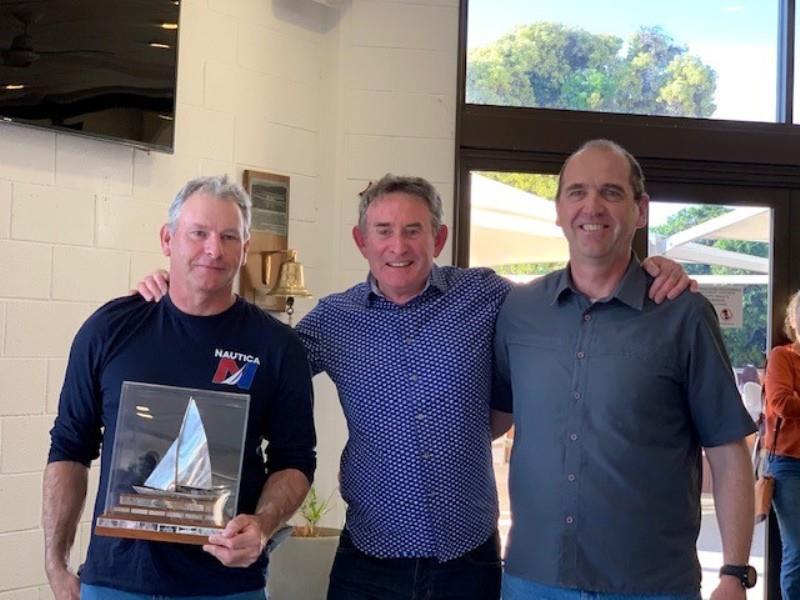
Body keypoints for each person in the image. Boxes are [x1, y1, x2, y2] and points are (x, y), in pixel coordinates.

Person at [136, 174, 693, 600]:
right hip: (369, 560)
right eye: (383, 231)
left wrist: (645, 269)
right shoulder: (332, 321)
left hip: (468, 559)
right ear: (361, 240)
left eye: (413, 230)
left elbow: (573, 299)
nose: (398, 246)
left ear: (439, 237)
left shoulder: (488, 297)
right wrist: (183, 300)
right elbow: (247, 369)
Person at [494, 140, 757, 600]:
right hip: (532, 580)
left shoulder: (683, 313)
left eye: (610, 192)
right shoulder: (518, 310)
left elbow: (727, 448)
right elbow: (491, 420)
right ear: (557, 210)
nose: (591, 206)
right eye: (576, 192)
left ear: (640, 209)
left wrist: (734, 573)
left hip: (650, 585)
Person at [43, 175, 316, 600]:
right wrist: (57, 566)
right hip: (115, 583)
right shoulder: (109, 330)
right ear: (168, 239)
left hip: (226, 586)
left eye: (229, 237)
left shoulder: (277, 346)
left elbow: (295, 459)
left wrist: (261, 527)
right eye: (199, 233)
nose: (214, 249)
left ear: (245, 249)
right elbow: (69, 448)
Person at [764, 289, 800, 598]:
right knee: (797, 551)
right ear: (792, 321)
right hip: (790, 464)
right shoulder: (782, 356)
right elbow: (782, 403)